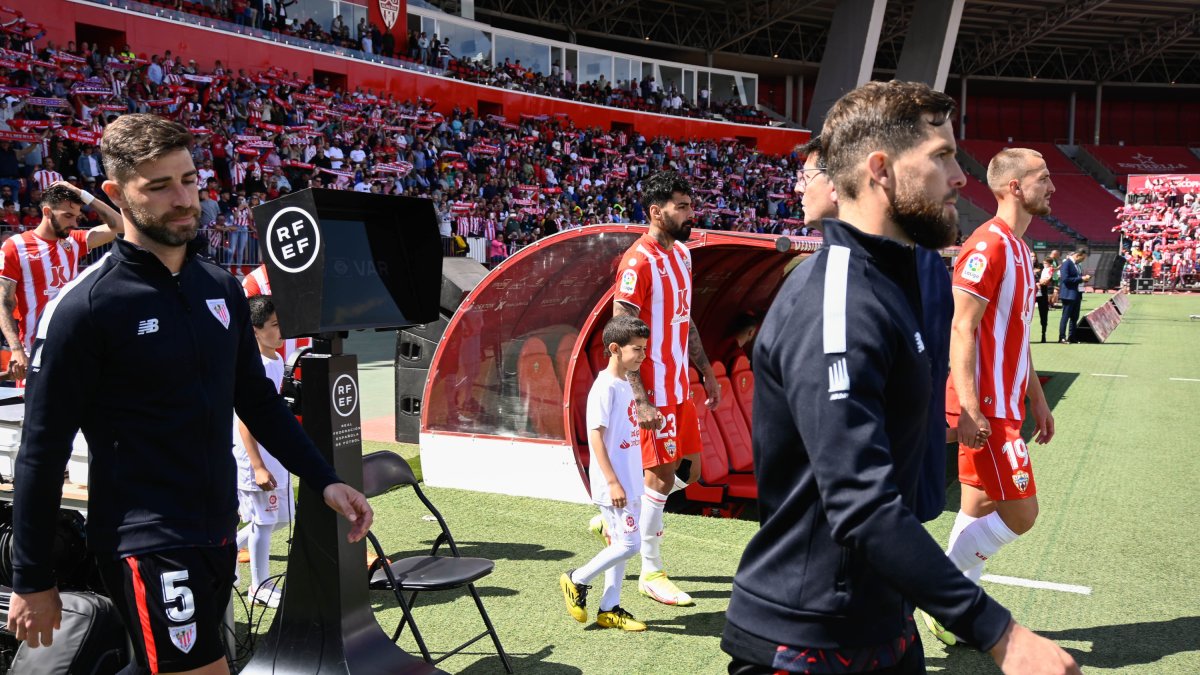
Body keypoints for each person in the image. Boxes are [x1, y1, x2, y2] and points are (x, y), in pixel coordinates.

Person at [723, 81, 1078, 675]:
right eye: (941, 157)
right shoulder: (834, 299)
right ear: (881, 170)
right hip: (806, 637)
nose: (961, 178)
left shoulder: (911, 278)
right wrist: (1000, 634)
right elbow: (860, 502)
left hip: (888, 620)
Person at [7, 114, 373, 675]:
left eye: (189, 180)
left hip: (217, 527)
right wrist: (32, 579)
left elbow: (257, 401)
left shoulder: (220, 286)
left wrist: (324, 478)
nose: (182, 199)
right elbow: (41, 450)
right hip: (145, 536)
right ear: (115, 195)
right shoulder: (86, 307)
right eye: (158, 187)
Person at [927, 147, 1058, 646]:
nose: (1051, 186)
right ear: (1014, 187)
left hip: (1008, 405)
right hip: (986, 409)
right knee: (1022, 514)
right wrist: (969, 406)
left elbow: (1017, 335)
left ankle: (953, 612)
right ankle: (941, 591)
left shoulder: (1023, 250)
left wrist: (1038, 400)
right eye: (1042, 178)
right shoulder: (988, 245)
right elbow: (962, 327)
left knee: (978, 507)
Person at [796, 135, 953, 523]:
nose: (798, 186)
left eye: (806, 175)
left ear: (838, 184)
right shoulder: (905, 260)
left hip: (865, 504)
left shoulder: (898, 266)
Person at [610, 169, 720, 607]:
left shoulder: (684, 255)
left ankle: (624, 516)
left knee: (687, 472)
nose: (691, 213)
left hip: (680, 383)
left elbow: (684, 319)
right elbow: (620, 328)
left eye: (691, 205)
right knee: (660, 475)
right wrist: (639, 396)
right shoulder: (638, 262)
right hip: (651, 386)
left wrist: (706, 370)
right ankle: (651, 571)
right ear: (656, 212)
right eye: (683, 207)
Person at [559, 315, 651, 633]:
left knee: (621, 544)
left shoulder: (625, 382)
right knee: (630, 545)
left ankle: (609, 608)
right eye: (636, 349)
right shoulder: (604, 387)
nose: (642, 355)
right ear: (615, 348)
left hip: (630, 480)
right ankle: (576, 579)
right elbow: (595, 435)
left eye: (643, 349)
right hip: (615, 484)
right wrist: (612, 481)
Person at [0, 181, 122, 381]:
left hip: (75, 347)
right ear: (47, 212)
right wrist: (15, 349)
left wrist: (82, 194)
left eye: (76, 216)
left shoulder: (75, 240)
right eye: (67, 216)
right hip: (35, 351)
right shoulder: (15, 246)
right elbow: (3, 303)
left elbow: (120, 226)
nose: (74, 223)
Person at [233, 294, 293, 610]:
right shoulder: (253, 365)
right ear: (255, 330)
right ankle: (260, 586)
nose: (280, 330)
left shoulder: (276, 360)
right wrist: (257, 464)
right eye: (273, 325)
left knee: (280, 517)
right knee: (266, 521)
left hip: (273, 454)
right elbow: (246, 418)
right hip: (254, 456)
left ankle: (230, 551)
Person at [1057, 249, 1089, 343]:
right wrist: (1081, 279)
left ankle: (1072, 336)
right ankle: (1062, 337)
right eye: (1082, 258)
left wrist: (1083, 279)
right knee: (1065, 316)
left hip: (1076, 294)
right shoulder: (1067, 263)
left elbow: (1075, 278)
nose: (1083, 260)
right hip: (1068, 294)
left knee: (1074, 317)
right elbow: (1065, 279)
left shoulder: (1076, 265)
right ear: (1078, 255)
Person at [1035, 254, 1052, 342]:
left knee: (1044, 314)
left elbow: (1048, 277)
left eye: (1034, 256)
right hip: (1031, 294)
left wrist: (1043, 282)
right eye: (1031, 256)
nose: (1033, 258)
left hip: (1042, 293)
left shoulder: (1043, 267)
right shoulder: (1025, 266)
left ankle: (1043, 334)